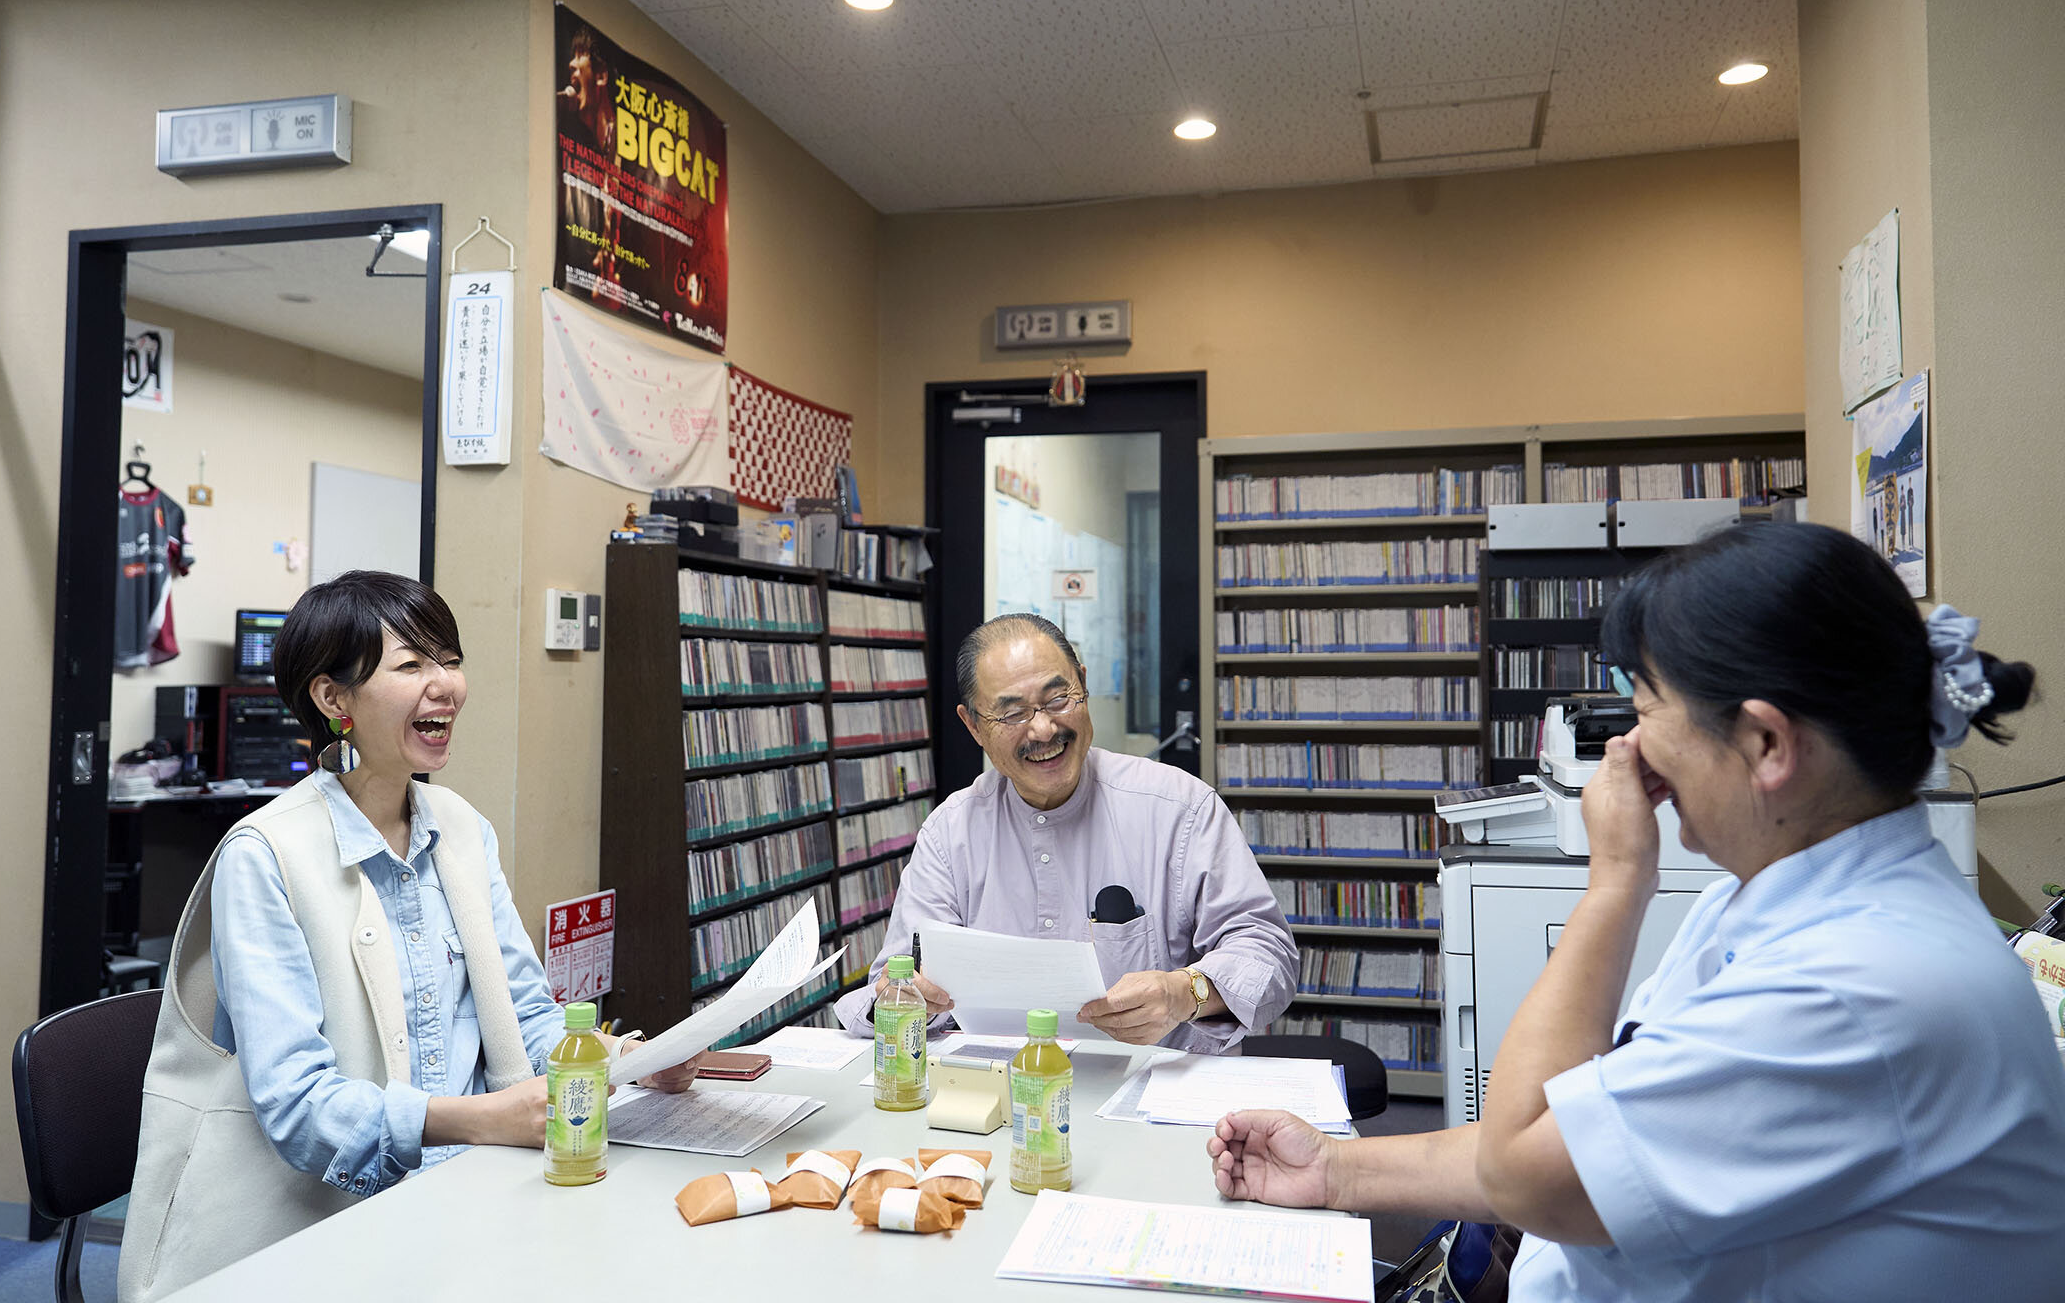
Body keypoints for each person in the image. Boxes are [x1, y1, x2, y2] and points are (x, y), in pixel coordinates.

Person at [1207, 523, 2065, 1298]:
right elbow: (1588, 1136)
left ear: (1765, 744)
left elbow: (1523, 1170)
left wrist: (1615, 879)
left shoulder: (1862, 988)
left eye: (1649, 708)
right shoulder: (1770, 891)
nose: (1627, 748)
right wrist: (1332, 1169)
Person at [120, 573, 697, 1303]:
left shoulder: (461, 829)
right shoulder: (265, 855)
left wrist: (630, 1059)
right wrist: (483, 1121)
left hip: (469, 1201)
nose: (447, 686)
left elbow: (526, 1014)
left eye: (449, 660)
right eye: (412, 665)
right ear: (334, 701)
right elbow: (299, 1106)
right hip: (317, 1232)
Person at [833, 614, 1294, 1052]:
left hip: (1153, 1094)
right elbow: (890, 987)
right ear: (972, 725)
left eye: (1057, 700)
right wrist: (908, 999)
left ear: (1084, 685)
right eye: (1011, 714)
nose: (1043, 728)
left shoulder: (1179, 807)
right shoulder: (951, 832)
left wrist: (1184, 991)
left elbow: (1268, 955)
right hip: (1003, 1094)